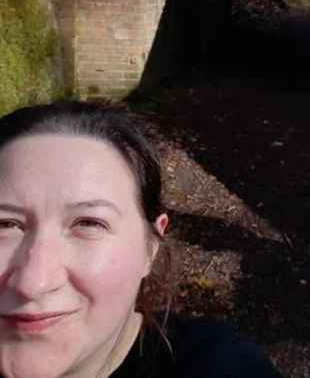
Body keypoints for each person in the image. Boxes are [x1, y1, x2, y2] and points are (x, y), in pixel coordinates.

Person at [0, 101, 281, 378]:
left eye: (88, 223)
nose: (32, 283)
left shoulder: (220, 365)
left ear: (151, 245)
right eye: (5, 224)